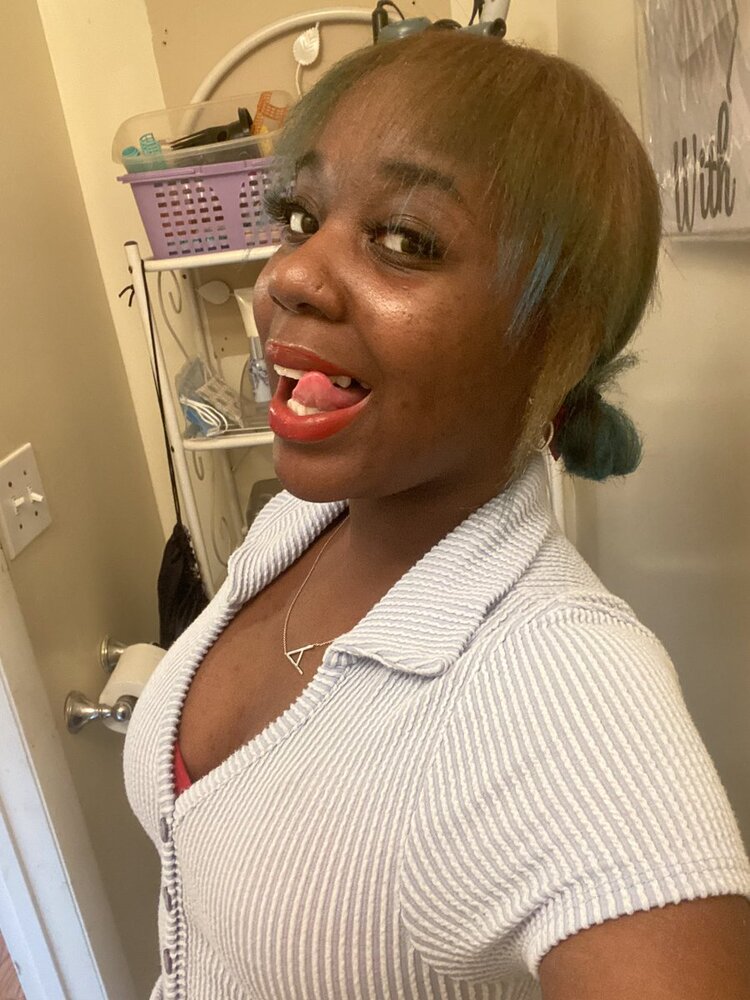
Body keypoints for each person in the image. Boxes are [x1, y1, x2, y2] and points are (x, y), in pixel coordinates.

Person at [124, 29, 750, 1000]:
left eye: (405, 240)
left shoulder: (565, 687)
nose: (287, 277)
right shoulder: (299, 521)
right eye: (301, 217)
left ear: (555, 340)